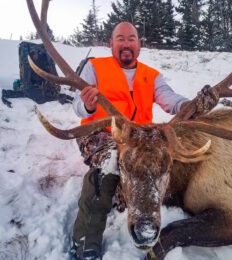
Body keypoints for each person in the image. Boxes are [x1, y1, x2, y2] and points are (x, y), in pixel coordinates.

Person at [69, 21, 217, 260]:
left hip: (139, 137)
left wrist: (193, 106)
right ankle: (85, 239)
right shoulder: (94, 68)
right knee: (109, 165)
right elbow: (77, 106)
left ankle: (133, 204)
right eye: (120, 38)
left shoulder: (151, 75)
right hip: (100, 133)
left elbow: (170, 99)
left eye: (131, 39)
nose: (126, 43)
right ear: (111, 44)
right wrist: (87, 104)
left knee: (159, 164)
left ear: (139, 44)